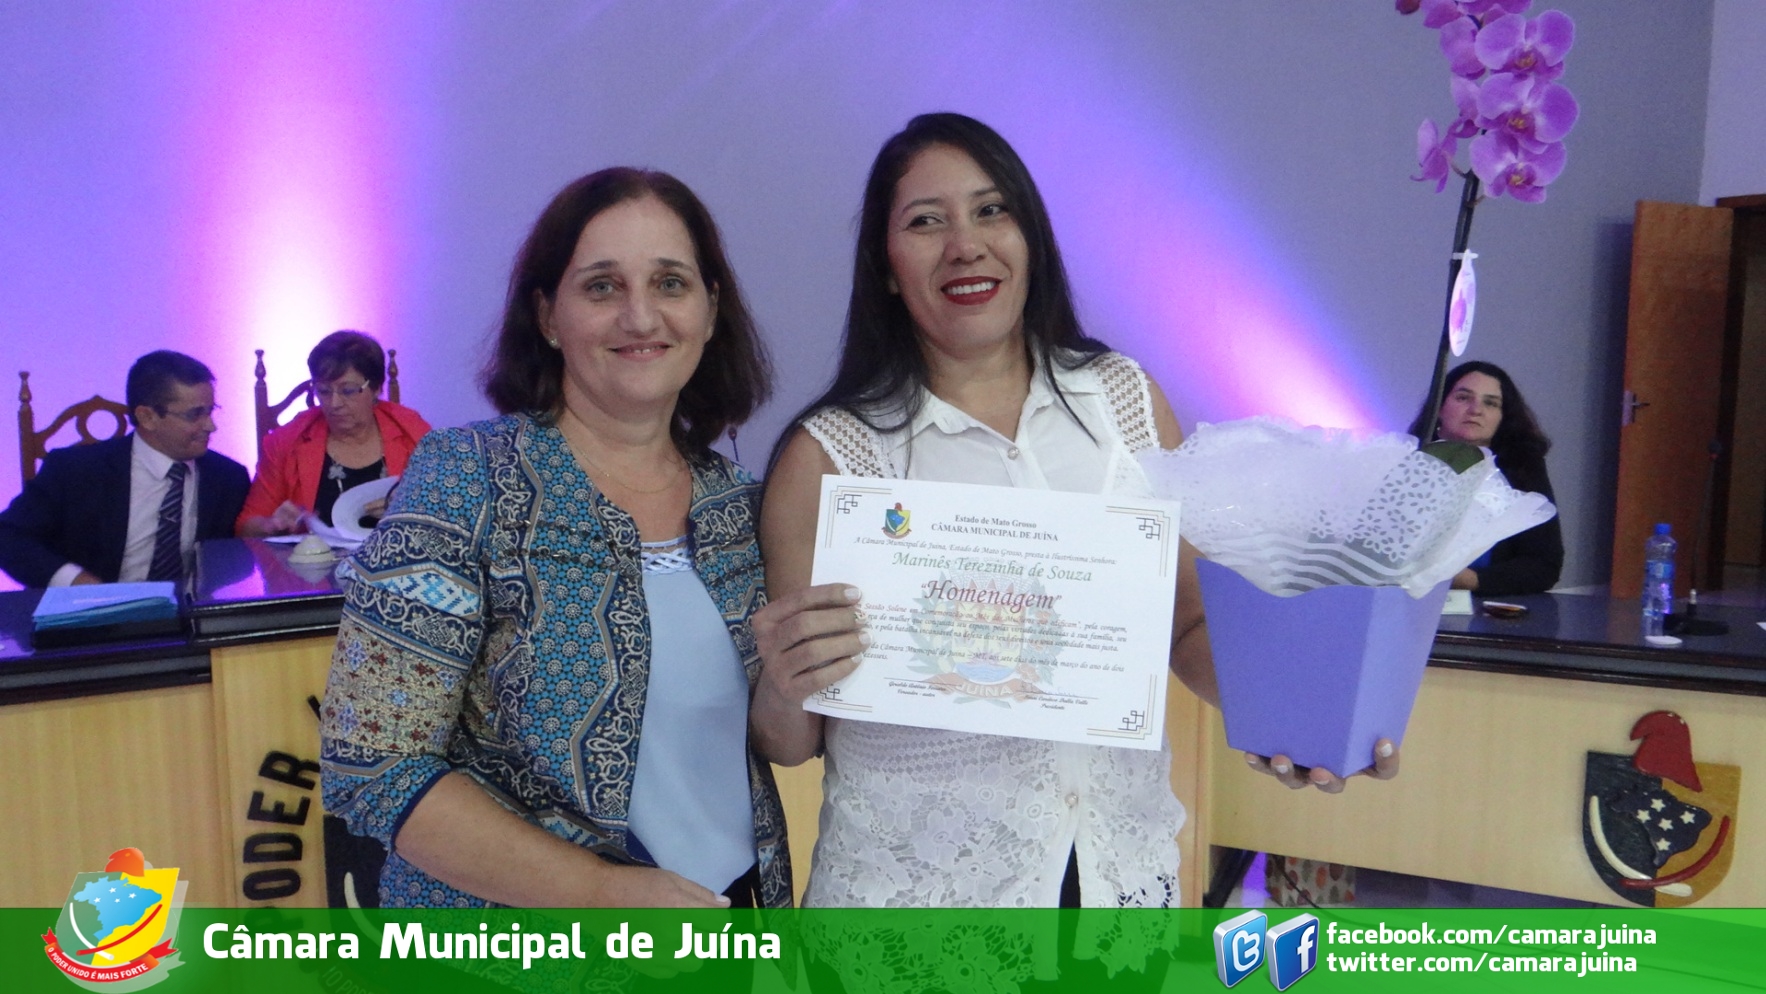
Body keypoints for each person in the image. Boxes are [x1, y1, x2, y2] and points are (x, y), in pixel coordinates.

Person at [750, 114, 1394, 988]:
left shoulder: (1125, 402)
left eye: (992, 210)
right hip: (917, 917)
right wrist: (786, 680)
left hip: (1114, 887)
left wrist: (1293, 715)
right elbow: (791, 740)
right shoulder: (831, 456)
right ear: (886, 268)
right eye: (926, 222)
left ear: (1031, 238)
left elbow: (1186, 624)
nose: (966, 245)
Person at [318, 167, 788, 913]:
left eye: (670, 283)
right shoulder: (464, 480)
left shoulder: (743, 506)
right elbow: (373, 764)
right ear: (547, 316)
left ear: (709, 310)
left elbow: (768, 741)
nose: (641, 316)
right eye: (602, 287)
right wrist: (598, 894)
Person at [0, 350, 249, 587]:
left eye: (210, 411)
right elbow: (9, 536)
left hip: (192, 612)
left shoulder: (228, 478)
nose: (210, 426)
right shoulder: (75, 471)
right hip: (93, 608)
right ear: (147, 417)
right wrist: (74, 581)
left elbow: (240, 559)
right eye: (194, 415)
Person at [236, 331, 431, 537]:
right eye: (323, 391)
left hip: (396, 555)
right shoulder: (286, 441)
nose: (334, 403)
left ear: (376, 388)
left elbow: (446, 512)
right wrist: (271, 525)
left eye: (348, 390)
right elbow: (246, 526)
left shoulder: (413, 433)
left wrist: (408, 512)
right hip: (314, 558)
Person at [1408, 359, 1563, 595]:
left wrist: (1469, 580)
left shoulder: (1523, 467)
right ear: (1439, 407)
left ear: (1502, 417)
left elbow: (1544, 565)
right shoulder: (1409, 462)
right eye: (1463, 398)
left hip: (1489, 603)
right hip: (1410, 601)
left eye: (1490, 403)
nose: (1476, 410)